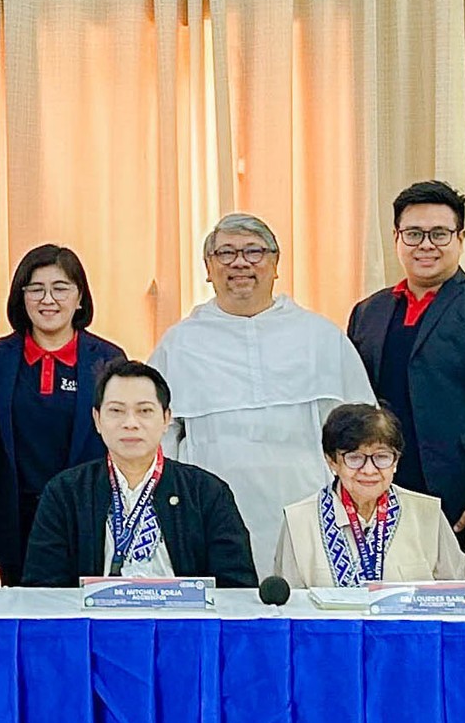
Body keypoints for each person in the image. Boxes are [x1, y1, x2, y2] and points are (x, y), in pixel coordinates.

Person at [149, 212, 375, 574]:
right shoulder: (179, 344)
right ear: (208, 268)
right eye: (226, 253)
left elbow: (362, 433)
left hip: (308, 509)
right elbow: (159, 439)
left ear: (275, 264)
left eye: (254, 251)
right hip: (210, 512)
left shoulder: (320, 336)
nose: (240, 262)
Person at [342, 182, 465, 572]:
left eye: (439, 234)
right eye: (413, 234)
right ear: (396, 238)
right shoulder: (368, 312)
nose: (425, 245)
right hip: (384, 494)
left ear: (460, 239)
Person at [20, 361, 256, 588]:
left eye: (144, 411)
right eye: (116, 411)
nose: (130, 423)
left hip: (183, 617)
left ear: (166, 419)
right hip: (95, 617)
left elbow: (236, 589)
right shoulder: (65, 493)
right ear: (97, 420)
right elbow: (43, 590)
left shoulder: (207, 493)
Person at [0, 244, 126, 574]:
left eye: (60, 288)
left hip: (86, 512)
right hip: (14, 517)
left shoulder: (108, 359)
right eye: (36, 289)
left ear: (80, 298)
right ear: (21, 297)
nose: (48, 299)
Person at [271, 403, 465, 592]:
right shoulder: (299, 520)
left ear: (396, 461)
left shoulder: (427, 513)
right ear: (332, 461)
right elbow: (290, 605)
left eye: (382, 457)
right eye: (355, 458)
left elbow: (457, 591)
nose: (369, 470)